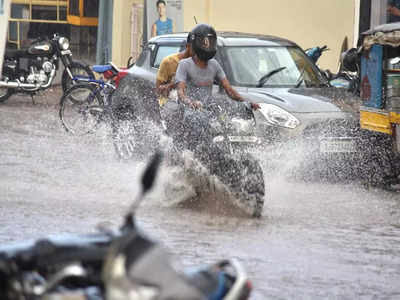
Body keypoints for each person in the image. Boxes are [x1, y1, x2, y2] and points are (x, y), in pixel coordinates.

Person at [175, 23, 260, 110]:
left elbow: (229, 90)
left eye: (211, 42)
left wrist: (247, 102)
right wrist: (190, 102)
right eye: (205, 43)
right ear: (196, 43)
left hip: (207, 110)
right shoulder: (184, 64)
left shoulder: (214, 64)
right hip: (188, 110)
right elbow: (180, 92)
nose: (208, 46)